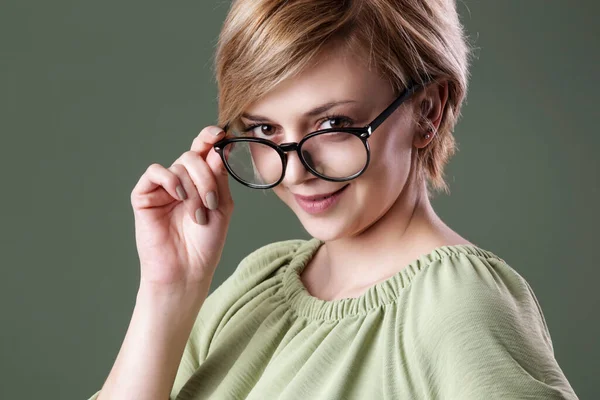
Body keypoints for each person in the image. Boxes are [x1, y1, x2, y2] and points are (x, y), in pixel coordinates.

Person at [88, 0, 579, 399]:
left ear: (428, 110)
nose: (297, 170)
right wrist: (168, 289)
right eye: (265, 129)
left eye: (332, 126)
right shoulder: (258, 285)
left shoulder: (457, 305)